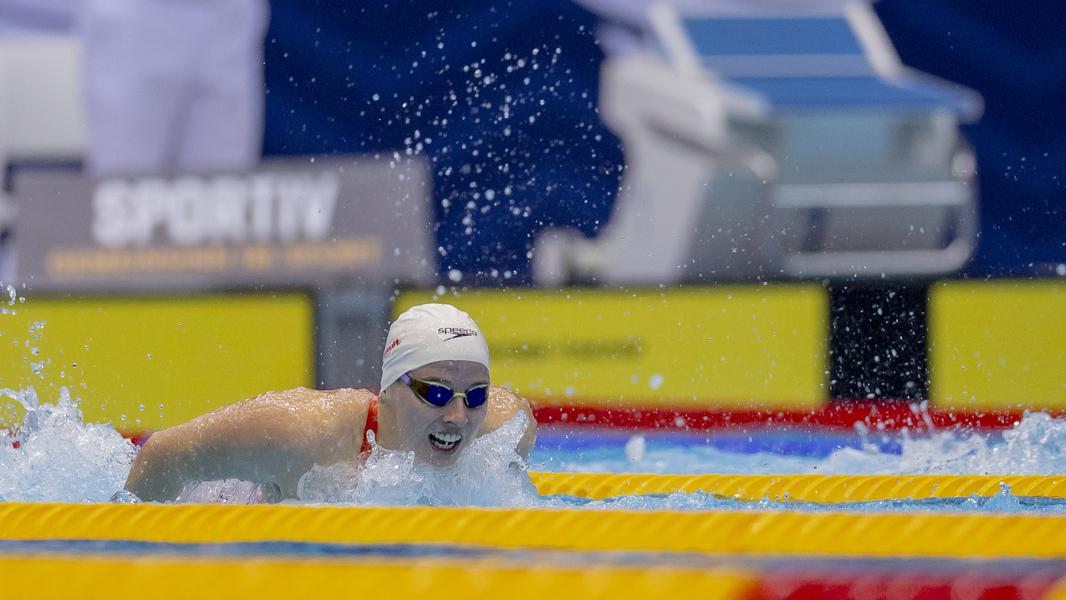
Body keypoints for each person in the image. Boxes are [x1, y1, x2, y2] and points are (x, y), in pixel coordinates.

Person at [124, 303, 537, 502]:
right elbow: (163, 453)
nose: (458, 416)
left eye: (475, 395)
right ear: (389, 389)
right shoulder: (301, 433)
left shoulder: (505, 431)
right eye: (436, 393)